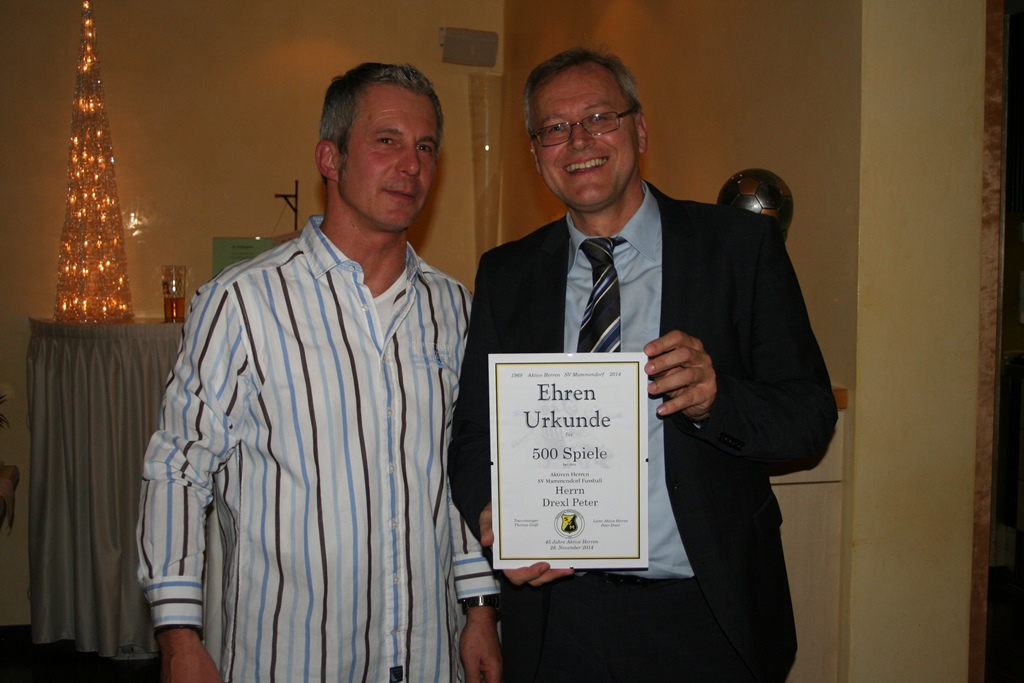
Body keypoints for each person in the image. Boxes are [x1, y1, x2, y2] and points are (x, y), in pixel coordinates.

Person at [448, 48, 837, 682]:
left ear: (640, 130)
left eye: (600, 117)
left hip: (707, 615)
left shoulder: (739, 249)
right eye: (554, 127)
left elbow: (811, 415)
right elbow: (473, 434)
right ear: (537, 153)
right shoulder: (507, 273)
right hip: (558, 620)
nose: (579, 140)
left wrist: (718, 399)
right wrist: (494, 509)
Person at [138, 62, 501, 683]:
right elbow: (177, 467)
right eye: (387, 140)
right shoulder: (242, 303)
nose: (411, 165)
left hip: (425, 653)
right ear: (330, 158)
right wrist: (178, 638)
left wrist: (480, 609)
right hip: (289, 655)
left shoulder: (454, 307)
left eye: (425, 147)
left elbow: (458, 469)